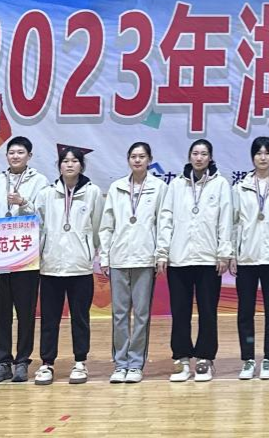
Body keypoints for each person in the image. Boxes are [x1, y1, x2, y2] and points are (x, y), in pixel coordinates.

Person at [158, 139, 233, 382]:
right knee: (180, 312)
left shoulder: (220, 184)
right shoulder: (176, 185)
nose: (199, 158)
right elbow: (166, 219)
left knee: (208, 312)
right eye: (195, 153)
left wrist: (224, 252)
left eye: (204, 154)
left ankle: (204, 358)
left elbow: (226, 220)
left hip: (209, 259)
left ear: (210, 158)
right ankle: (181, 359)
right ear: (189, 156)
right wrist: (162, 252)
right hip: (179, 259)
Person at [0, 136, 48, 384]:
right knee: (1, 312)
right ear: (6, 156)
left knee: (26, 311)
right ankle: (3, 362)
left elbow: (44, 216)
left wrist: (23, 203)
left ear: (29, 156)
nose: (15, 156)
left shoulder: (40, 182)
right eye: (11, 152)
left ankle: (22, 361)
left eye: (20, 152)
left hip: (26, 256)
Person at [32, 148, 104, 386]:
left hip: (80, 267)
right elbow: (37, 226)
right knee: (49, 319)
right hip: (51, 266)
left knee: (80, 318)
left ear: (81, 165)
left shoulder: (92, 193)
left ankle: (80, 362)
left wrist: (93, 253)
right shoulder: (46, 194)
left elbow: (98, 227)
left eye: (74, 161)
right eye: (65, 161)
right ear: (59, 165)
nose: (70, 165)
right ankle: (47, 363)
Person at [100, 142, 168, 384]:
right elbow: (106, 226)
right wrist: (105, 256)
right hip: (118, 258)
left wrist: (161, 254)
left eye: (142, 156)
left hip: (144, 258)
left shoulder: (159, 188)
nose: (137, 160)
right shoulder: (117, 187)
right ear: (128, 160)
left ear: (149, 159)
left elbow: (163, 223)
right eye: (133, 156)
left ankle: (136, 363)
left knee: (141, 314)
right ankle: (120, 364)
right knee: (119, 314)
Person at [232, 136, 269, 381]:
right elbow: (234, 223)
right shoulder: (240, 187)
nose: (263, 157)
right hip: (247, 257)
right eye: (258, 153)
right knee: (245, 312)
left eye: (267, 153)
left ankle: (268, 359)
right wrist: (233, 253)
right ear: (252, 156)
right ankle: (248, 359)